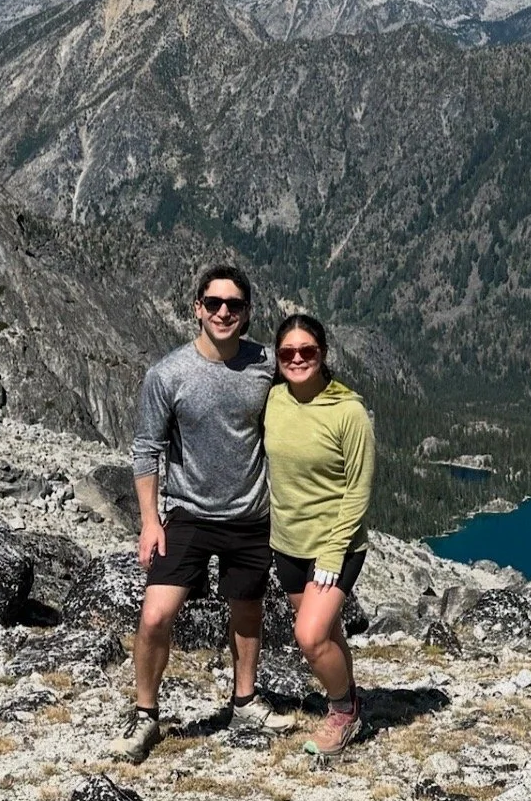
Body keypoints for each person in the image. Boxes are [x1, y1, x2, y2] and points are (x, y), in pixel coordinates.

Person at [106, 263, 294, 764]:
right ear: (198, 309)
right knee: (154, 616)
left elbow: (306, 398)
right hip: (187, 515)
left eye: (234, 304)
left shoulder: (268, 364)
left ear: (248, 312)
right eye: (214, 303)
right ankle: (146, 715)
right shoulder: (167, 374)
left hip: (251, 515)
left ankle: (245, 701)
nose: (224, 312)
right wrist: (149, 522)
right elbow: (145, 450)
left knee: (247, 610)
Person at [264, 312, 376, 756]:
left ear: (323, 354)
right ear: (277, 358)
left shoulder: (349, 411)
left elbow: (358, 490)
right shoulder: (273, 400)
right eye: (287, 352)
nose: (297, 359)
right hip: (287, 543)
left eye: (306, 351)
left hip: (337, 546)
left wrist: (332, 554)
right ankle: (351, 702)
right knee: (328, 635)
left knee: (310, 637)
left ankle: (343, 712)